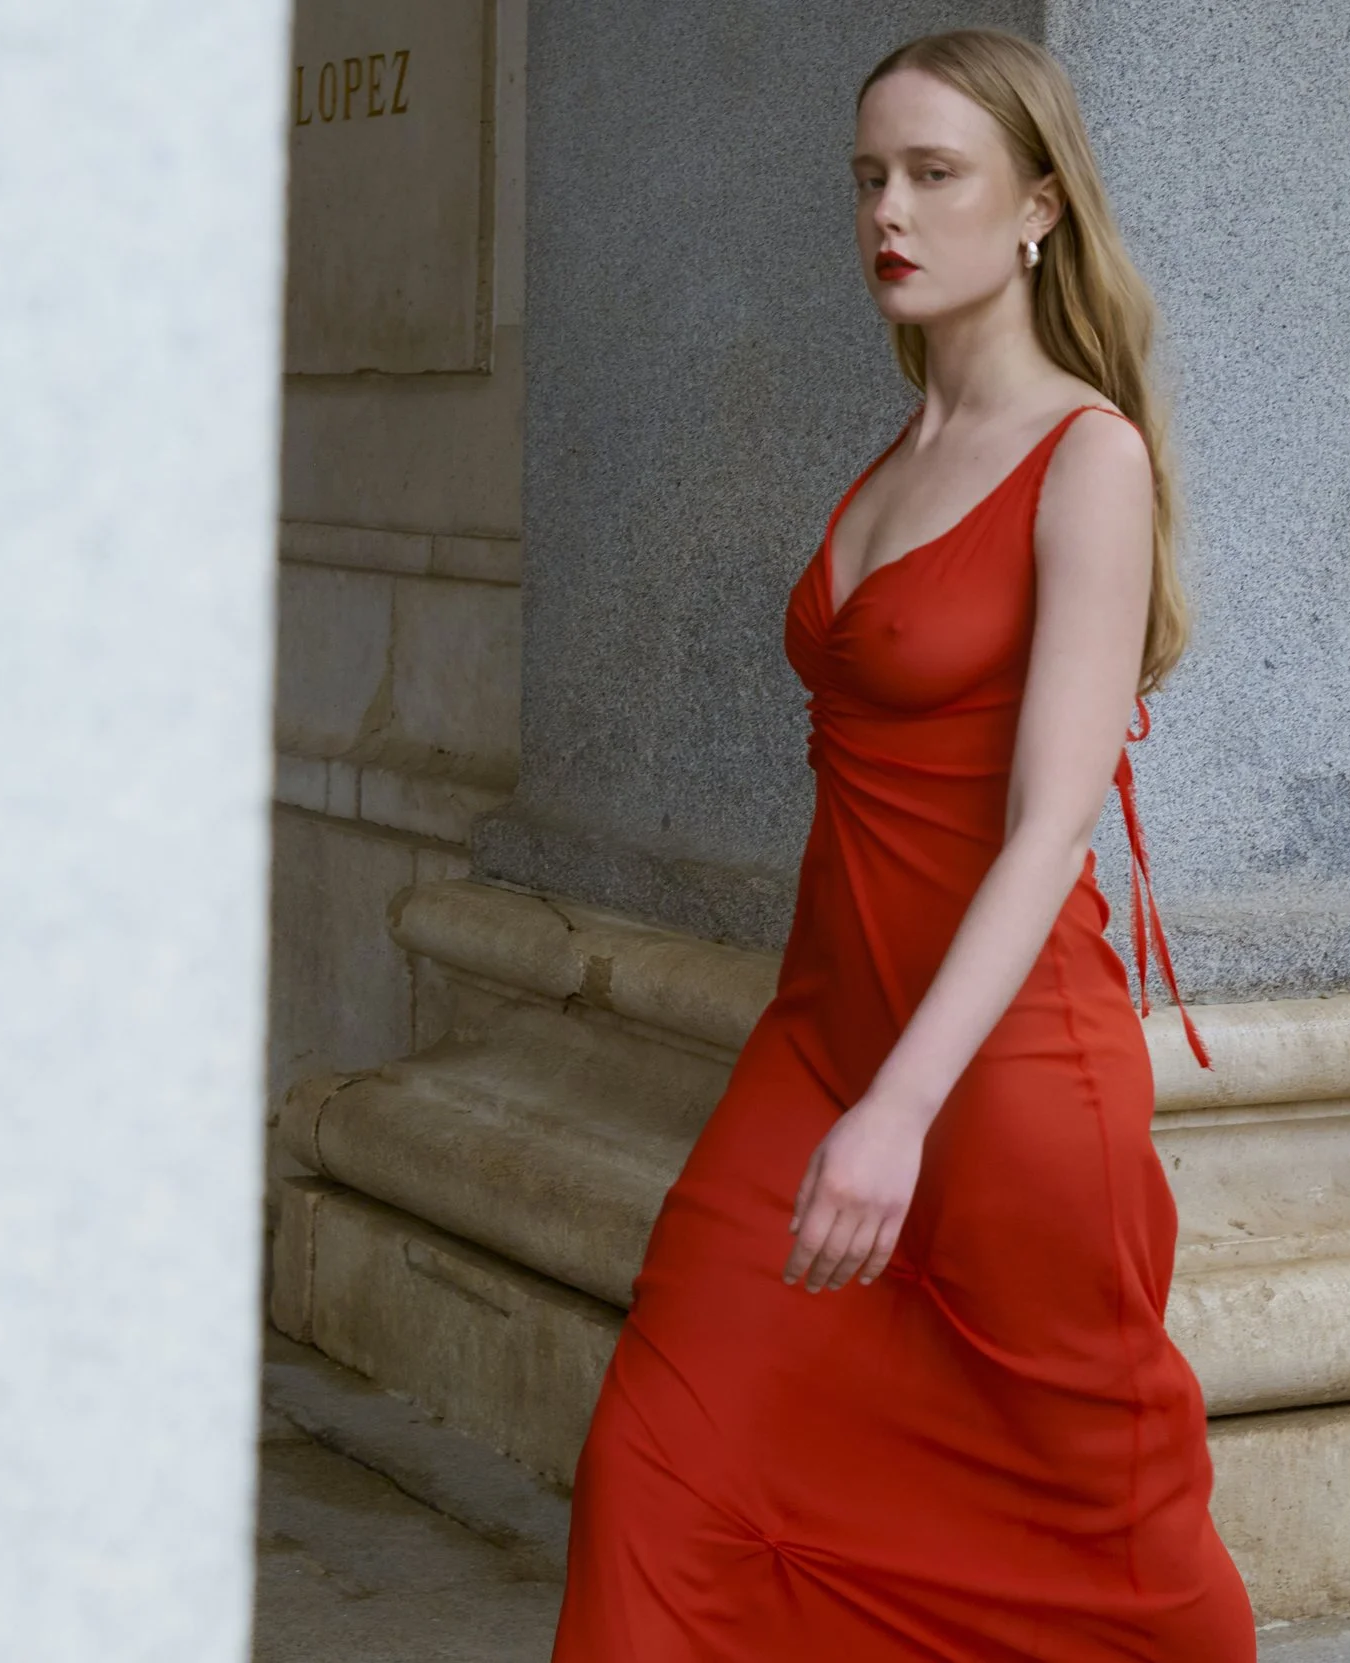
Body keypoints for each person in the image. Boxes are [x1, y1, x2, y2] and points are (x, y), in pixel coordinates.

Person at [550, 27, 1256, 1660]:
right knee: (661, 1466)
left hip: (998, 1077)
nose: (891, 209)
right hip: (823, 1030)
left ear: (1037, 210)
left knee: (1118, 1564)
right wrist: (856, 1083)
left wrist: (902, 1109)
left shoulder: (1090, 459)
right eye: (871, 175)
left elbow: (1046, 826)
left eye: (937, 174)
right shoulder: (902, 453)